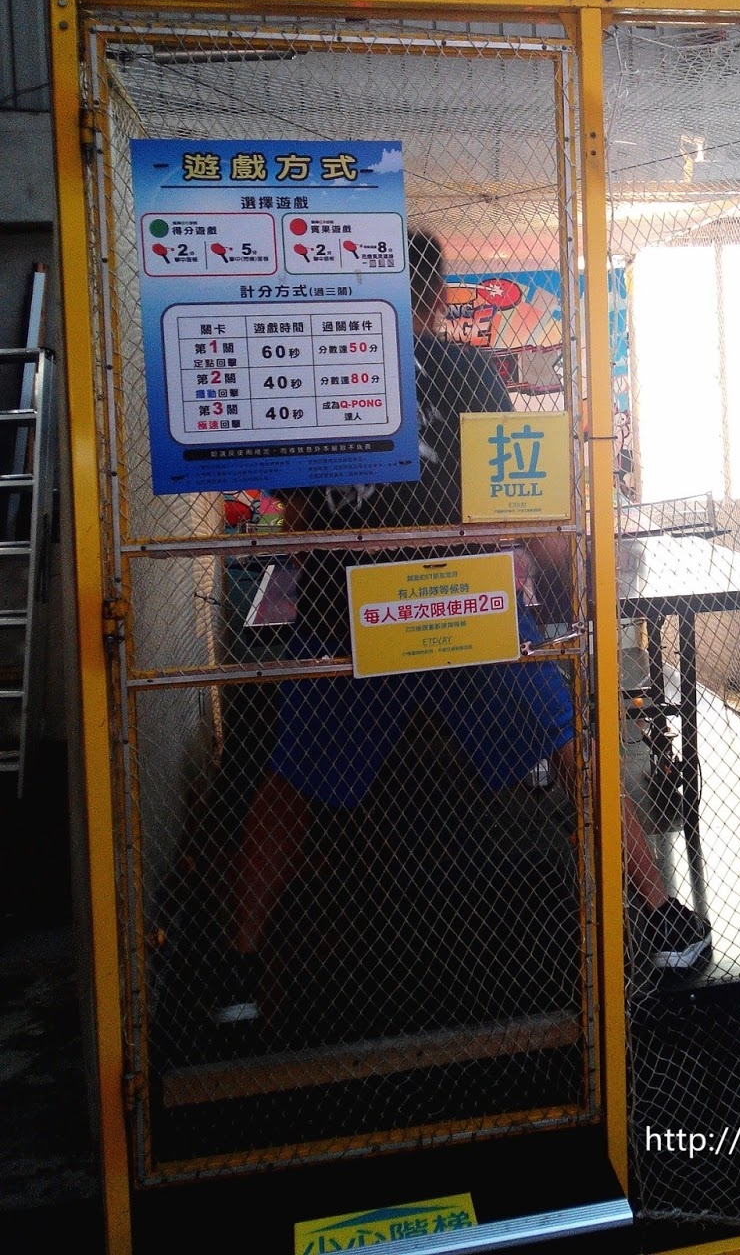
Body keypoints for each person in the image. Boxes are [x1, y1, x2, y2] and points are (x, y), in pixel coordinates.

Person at [214, 230, 709, 1023]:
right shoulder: (467, 369)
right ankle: (660, 914)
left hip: (354, 614)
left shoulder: (321, 371)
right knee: (573, 749)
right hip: (465, 609)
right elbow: (510, 493)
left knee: (291, 782)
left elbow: (298, 524)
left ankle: (237, 965)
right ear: (437, 299)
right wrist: (565, 580)